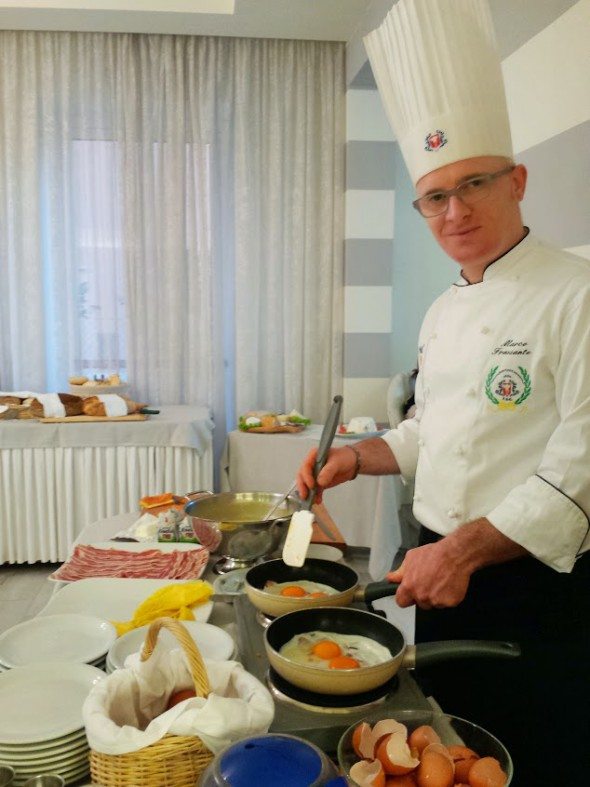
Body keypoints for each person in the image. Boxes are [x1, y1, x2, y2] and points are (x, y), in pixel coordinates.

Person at [297, 1, 590, 783]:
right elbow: (432, 430)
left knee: (533, 753)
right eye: (434, 195)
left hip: (532, 586)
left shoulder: (577, 294)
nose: (454, 212)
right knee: (445, 747)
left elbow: (580, 468)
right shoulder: (443, 307)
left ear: (517, 180)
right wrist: (354, 460)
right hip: (439, 571)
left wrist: (459, 549)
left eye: (474, 185)